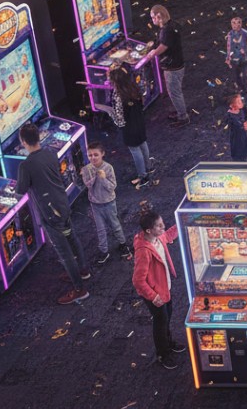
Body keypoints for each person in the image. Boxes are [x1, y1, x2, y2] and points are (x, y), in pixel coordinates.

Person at [16, 123, 91, 304]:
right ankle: (83, 270)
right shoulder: (50, 153)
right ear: (39, 137)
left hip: (49, 211)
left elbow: (20, 190)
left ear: (24, 142)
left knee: (63, 252)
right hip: (62, 202)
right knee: (72, 237)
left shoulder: (26, 165)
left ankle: (79, 289)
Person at [131, 208, 185, 369]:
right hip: (156, 294)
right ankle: (163, 354)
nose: (163, 227)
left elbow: (168, 235)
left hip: (164, 288)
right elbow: (138, 280)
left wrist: (182, 221)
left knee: (167, 318)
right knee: (160, 323)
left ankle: (169, 343)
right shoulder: (143, 251)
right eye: (159, 226)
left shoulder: (158, 237)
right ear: (149, 230)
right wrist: (153, 296)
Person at [81, 142, 132, 265]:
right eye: (90, 155)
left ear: (102, 154)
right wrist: (93, 176)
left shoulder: (108, 168)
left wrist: (103, 179)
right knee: (100, 229)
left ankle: (123, 244)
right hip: (95, 204)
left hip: (109, 202)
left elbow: (112, 187)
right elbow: (87, 185)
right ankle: (104, 251)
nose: (93, 158)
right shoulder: (86, 169)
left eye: (96, 155)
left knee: (115, 225)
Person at [108, 65, 152, 189]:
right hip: (139, 121)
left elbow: (120, 119)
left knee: (135, 150)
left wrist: (111, 115)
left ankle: (143, 176)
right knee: (143, 143)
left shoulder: (118, 95)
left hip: (129, 127)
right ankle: (149, 167)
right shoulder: (134, 87)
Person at [146, 4, 188, 127]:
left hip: (173, 68)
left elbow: (163, 46)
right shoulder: (170, 25)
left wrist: (152, 54)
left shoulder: (166, 31)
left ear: (159, 16)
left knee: (175, 93)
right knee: (176, 92)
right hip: (177, 64)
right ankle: (180, 111)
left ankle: (183, 117)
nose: (152, 20)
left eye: (153, 17)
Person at [224, 16, 247, 93]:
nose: (236, 25)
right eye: (233, 23)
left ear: (241, 24)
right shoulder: (230, 34)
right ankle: (242, 89)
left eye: (238, 23)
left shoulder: (245, 33)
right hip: (234, 58)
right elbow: (228, 46)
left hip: (244, 58)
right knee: (236, 77)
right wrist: (228, 58)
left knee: (245, 75)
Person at [224, 92, 247, 161]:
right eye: (238, 102)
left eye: (241, 100)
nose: (241, 102)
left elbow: (244, 121)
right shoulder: (230, 116)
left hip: (243, 136)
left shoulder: (241, 111)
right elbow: (241, 126)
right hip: (237, 138)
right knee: (240, 154)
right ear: (232, 105)